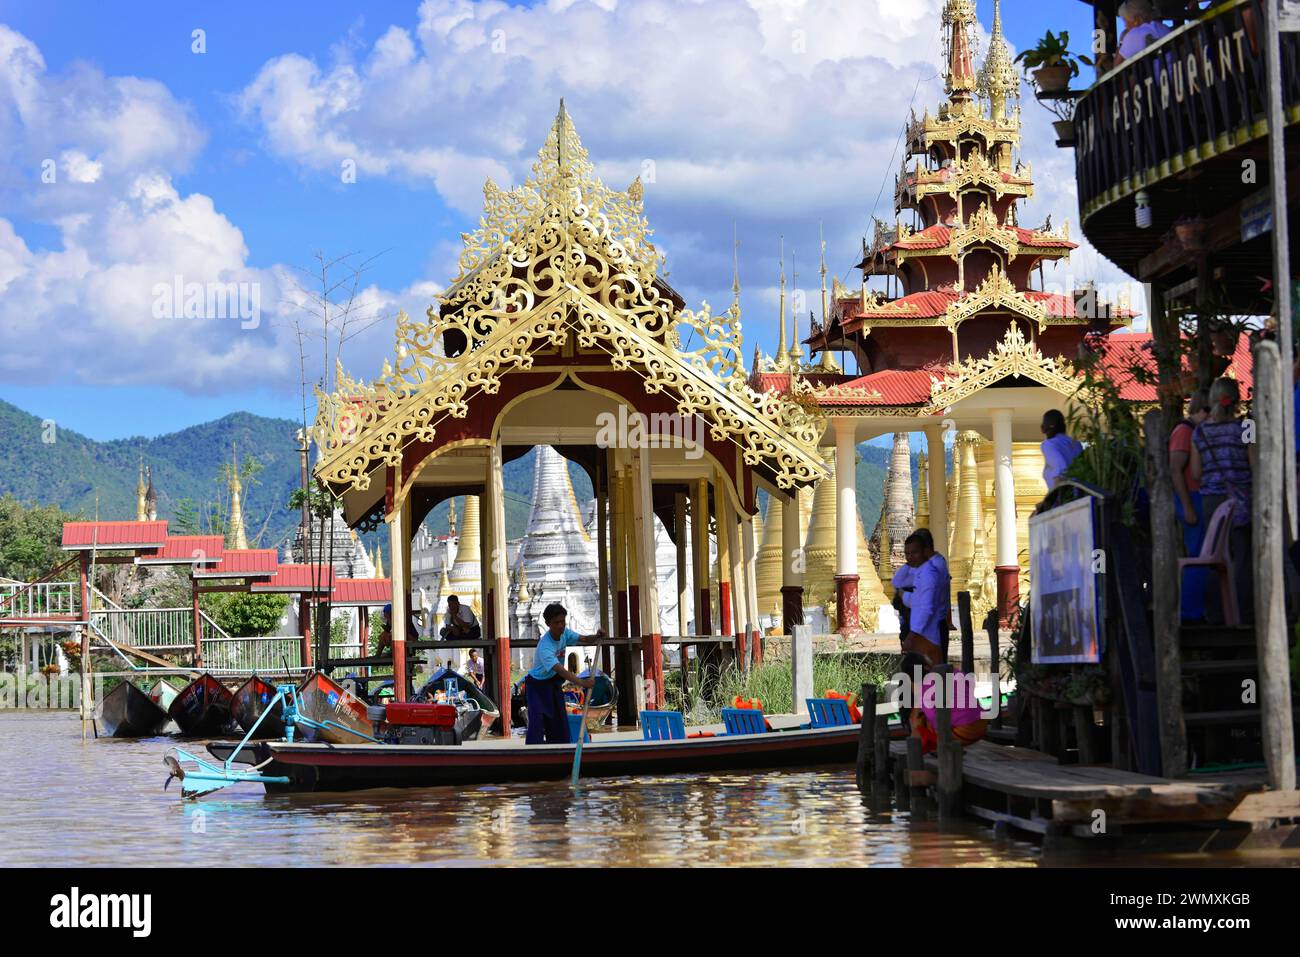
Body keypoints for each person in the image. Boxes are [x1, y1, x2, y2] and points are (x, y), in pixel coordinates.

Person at [1190, 376, 1256, 624]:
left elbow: (1196, 474)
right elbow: (1254, 463)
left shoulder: (1199, 432)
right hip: (1242, 499)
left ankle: (1216, 615)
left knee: (1215, 556)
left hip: (1212, 501)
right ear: (1236, 399)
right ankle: (1244, 614)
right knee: (1242, 558)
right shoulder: (1247, 427)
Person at [525, 603, 603, 745]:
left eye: (562, 621)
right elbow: (561, 670)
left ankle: (559, 749)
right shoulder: (545, 646)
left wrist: (597, 636)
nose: (561, 625)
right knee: (537, 722)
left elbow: (584, 639)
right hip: (537, 686)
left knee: (559, 720)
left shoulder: (565, 633)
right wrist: (582, 682)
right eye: (557, 623)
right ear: (548, 624)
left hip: (553, 683)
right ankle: (534, 753)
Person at [1170, 389, 1211, 621]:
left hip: (1197, 496)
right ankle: (1190, 612)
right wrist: (1187, 505)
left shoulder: (1194, 431)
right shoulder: (1184, 432)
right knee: (1198, 555)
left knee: (1203, 555)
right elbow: (1175, 470)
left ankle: (1198, 609)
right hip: (1191, 497)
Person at [1113, 0, 1171, 65]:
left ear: (1138, 19)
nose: (1125, 25)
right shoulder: (1164, 28)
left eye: (1126, 21)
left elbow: (1116, 66)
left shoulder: (1134, 35)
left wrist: (1121, 41)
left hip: (1153, 74)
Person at [1040, 409, 1083, 490]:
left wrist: (1052, 500)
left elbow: (1061, 470)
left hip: (1065, 495)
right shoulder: (1076, 443)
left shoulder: (1049, 444)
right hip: (1080, 492)